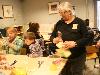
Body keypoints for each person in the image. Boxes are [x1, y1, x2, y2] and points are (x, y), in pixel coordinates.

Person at [50, 2, 93, 75]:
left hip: (78, 56)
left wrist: (75, 43)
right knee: (64, 73)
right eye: (60, 13)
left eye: (62, 14)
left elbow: (87, 38)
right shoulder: (59, 23)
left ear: (69, 12)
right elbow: (52, 36)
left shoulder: (80, 22)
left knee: (76, 73)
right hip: (63, 55)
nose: (61, 15)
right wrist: (54, 39)